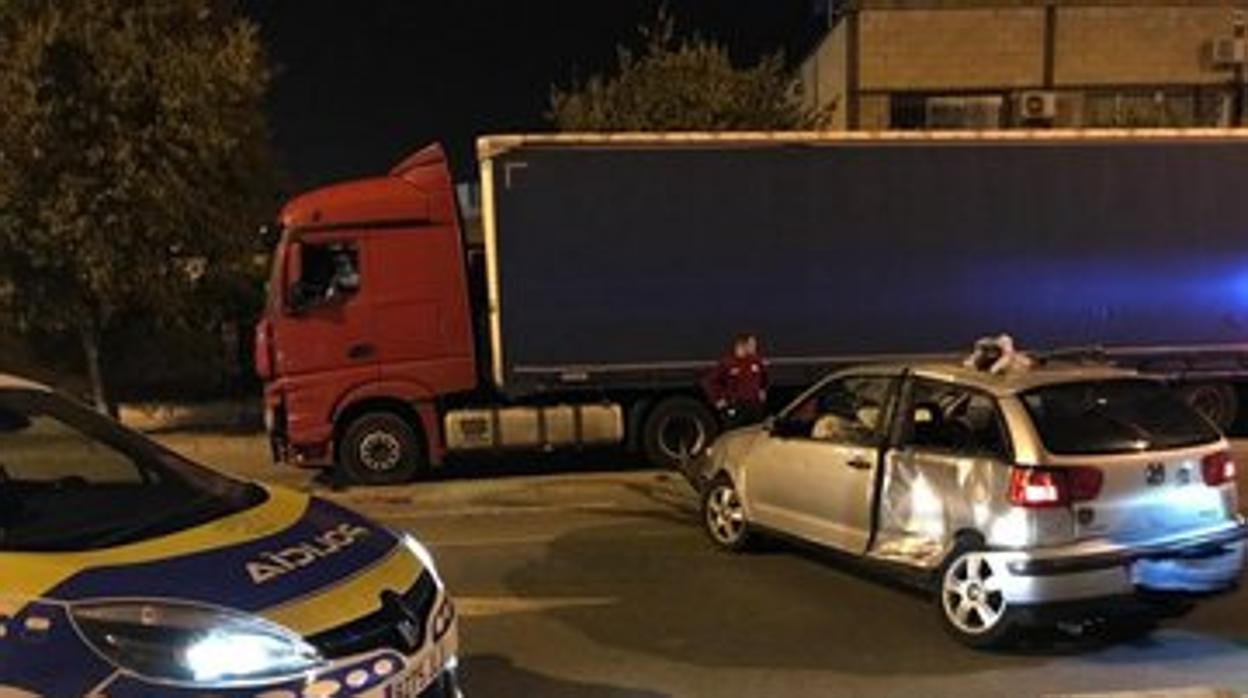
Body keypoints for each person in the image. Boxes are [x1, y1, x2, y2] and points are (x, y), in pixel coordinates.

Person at [702, 333, 769, 428]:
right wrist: (718, 399)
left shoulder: (756, 361)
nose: (755, 347)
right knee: (735, 433)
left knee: (754, 433)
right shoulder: (727, 363)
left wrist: (763, 390)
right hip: (736, 406)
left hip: (754, 406)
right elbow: (709, 382)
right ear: (742, 345)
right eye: (751, 345)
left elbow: (765, 378)